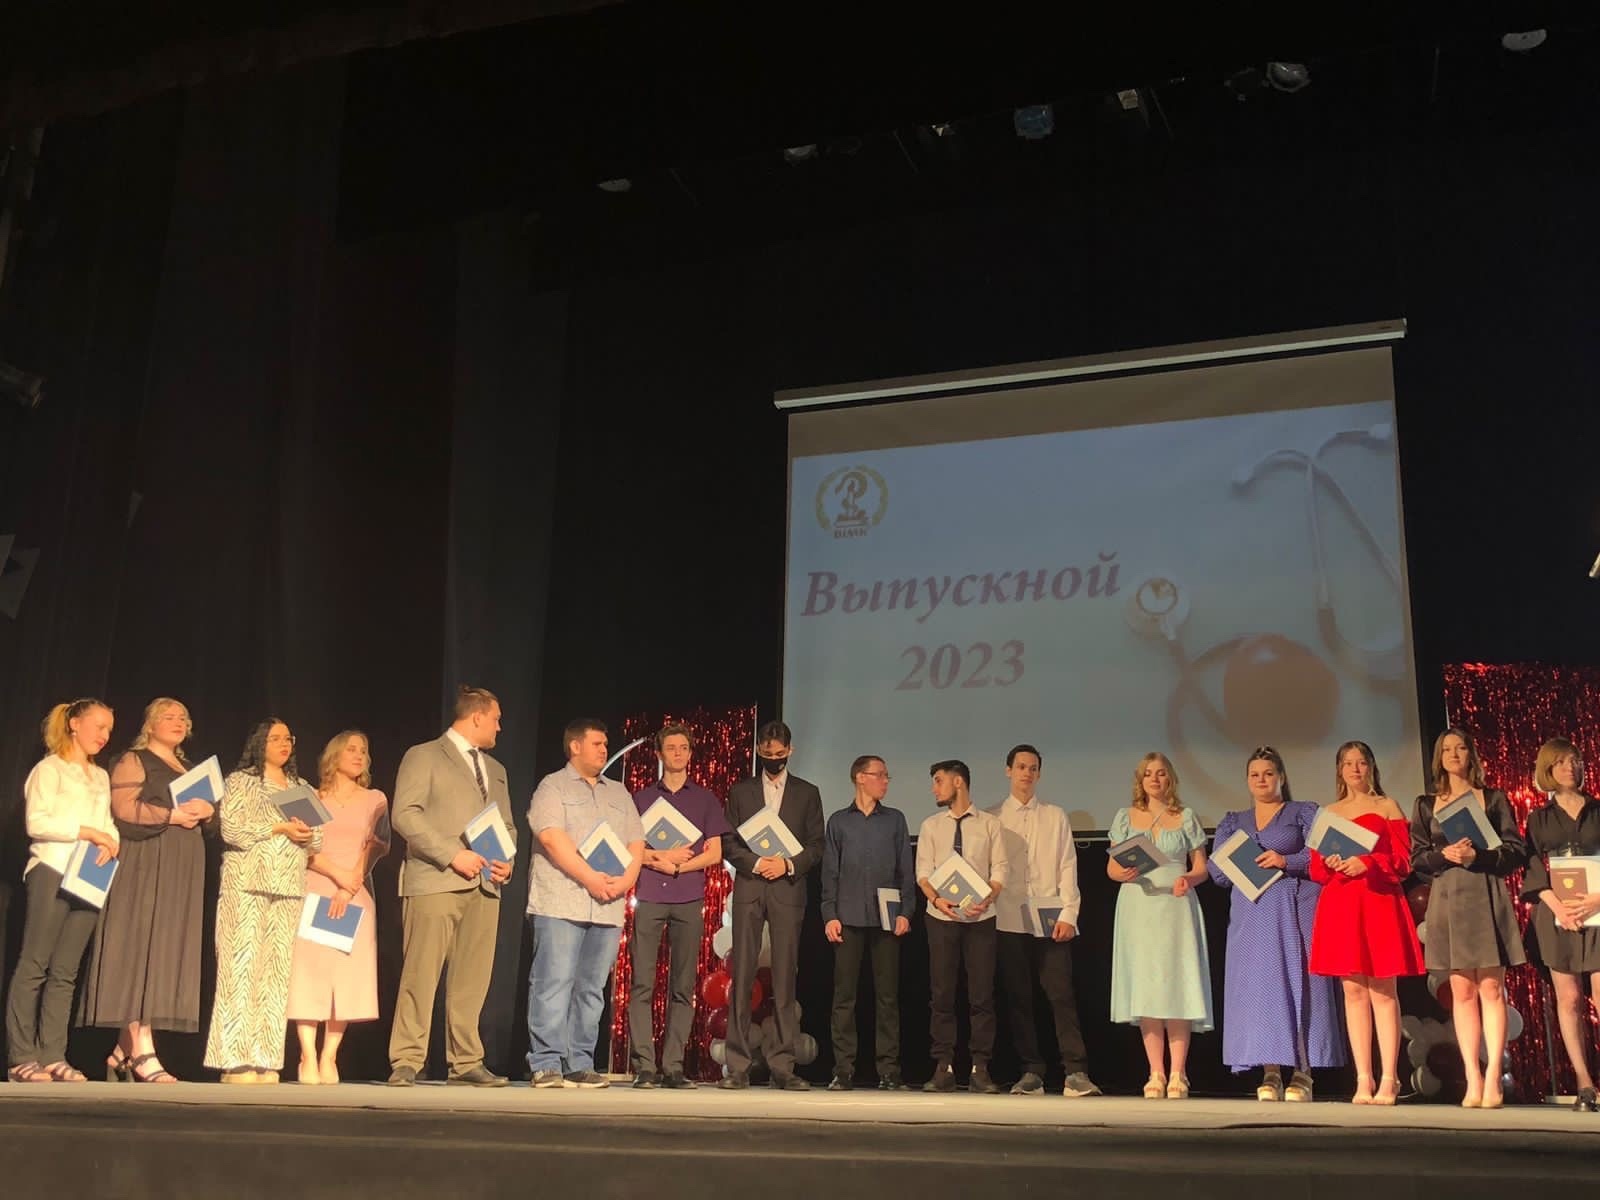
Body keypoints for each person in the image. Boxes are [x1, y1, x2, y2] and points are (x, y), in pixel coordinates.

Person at [80, 697, 213, 1083]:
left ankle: (123, 1050)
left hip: (180, 869)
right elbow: (123, 808)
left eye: (183, 717)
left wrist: (209, 811)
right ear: (150, 725)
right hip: (145, 864)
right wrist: (172, 814)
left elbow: (210, 819)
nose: (177, 722)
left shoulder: (191, 769)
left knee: (163, 952)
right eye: (168, 716)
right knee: (140, 949)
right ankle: (142, 1051)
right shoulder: (134, 759)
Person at [387, 685, 514, 1087]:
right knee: (421, 974)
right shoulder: (424, 755)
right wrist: (452, 854)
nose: (499, 727)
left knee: (472, 979)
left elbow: (506, 825)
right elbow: (405, 814)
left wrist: (506, 862)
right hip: (436, 880)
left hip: (485, 885)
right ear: (477, 717)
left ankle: (466, 1061)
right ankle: (407, 1059)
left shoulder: (496, 769)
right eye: (496, 719)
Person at [1206, 747, 1344, 1102]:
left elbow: (1323, 856)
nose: (1262, 780)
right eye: (1255, 774)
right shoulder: (1233, 821)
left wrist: (1286, 860)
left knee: (1302, 984)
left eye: (1268, 773)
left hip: (1295, 907)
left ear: (1281, 777)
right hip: (1252, 916)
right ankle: (1270, 1072)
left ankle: (1303, 1073)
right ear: (1247, 781)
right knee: (1262, 991)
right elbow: (1217, 873)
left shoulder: (1302, 813)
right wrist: (1237, 861)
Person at [1410, 728, 1526, 1109]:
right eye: (1447, 749)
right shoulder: (1426, 804)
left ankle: (1492, 1077)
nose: (1454, 754)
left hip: (1485, 892)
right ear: (1439, 758)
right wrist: (1444, 855)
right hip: (1448, 897)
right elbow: (1417, 860)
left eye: (1461, 748)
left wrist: (1479, 856)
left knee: (1491, 988)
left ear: (1471, 755)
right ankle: (1472, 1078)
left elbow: (1515, 850)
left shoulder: (1492, 799)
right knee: (1461, 991)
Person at [527, 718, 645, 1088]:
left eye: (605, 744)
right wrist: (590, 877)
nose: (603, 750)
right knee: (553, 982)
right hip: (561, 901)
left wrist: (626, 881)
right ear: (575, 746)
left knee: (592, 989)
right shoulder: (553, 786)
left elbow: (636, 842)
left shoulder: (619, 793)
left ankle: (579, 1062)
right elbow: (551, 838)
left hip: (608, 905)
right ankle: (546, 1062)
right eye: (596, 743)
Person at [6, 699, 118, 1083]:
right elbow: (37, 823)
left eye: (109, 730)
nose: (104, 736)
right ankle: (22, 1056)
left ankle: (53, 1054)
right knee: (34, 963)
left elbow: (108, 824)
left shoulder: (100, 777)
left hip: (89, 876)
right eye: (98, 726)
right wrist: (88, 832)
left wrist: (110, 842)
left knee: (66, 971)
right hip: (52, 868)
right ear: (74, 724)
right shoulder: (49, 769)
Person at [204, 718, 321, 1083]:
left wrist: (305, 834)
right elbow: (231, 829)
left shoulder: (302, 787)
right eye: (275, 739)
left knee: (276, 972)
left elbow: (318, 840)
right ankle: (234, 1059)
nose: (284, 744)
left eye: (288, 738)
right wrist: (278, 826)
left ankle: (265, 1056)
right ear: (260, 743)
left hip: (288, 886)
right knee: (239, 968)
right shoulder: (241, 781)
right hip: (246, 884)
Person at [1309, 741, 1423, 1106]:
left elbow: (1404, 862)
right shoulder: (1329, 812)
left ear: (1371, 767)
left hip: (1378, 901)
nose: (1355, 769)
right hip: (1342, 904)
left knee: (1383, 991)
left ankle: (1389, 1077)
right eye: (1348, 763)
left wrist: (1368, 863)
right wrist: (1330, 863)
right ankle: (1363, 1078)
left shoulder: (1387, 806)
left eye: (1361, 762)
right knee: (1353, 992)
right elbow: (1316, 869)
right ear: (1340, 770)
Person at [987, 744, 1101, 1098]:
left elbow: (1068, 866)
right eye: (1021, 766)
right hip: (1008, 918)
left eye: (1033, 768)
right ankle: (1031, 1071)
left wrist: (1069, 914)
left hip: (1051, 919)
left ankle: (1075, 1071)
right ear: (1008, 770)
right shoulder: (992, 817)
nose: (1027, 773)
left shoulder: (1055, 815)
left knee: (1061, 995)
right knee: (1019, 998)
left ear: (1039, 774)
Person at [719, 720, 825, 1091]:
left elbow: (816, 845)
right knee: (742, 975)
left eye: (780, 754)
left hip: (787, 889)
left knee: (784, 977)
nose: (774, 759)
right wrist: (755, 862)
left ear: (790, 751)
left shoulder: (807, 793)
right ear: (758, 751)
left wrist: (787, 865)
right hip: (750, 887)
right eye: (768, 754)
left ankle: (782, 1065)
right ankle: (737, 1065)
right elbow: (728, 841)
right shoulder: (741, 791)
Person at [628, 723, 729, 1088]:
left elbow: (714, 853)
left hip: (688, 897)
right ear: (659, 754)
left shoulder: (705, 799)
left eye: (683, 748)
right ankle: (644, 1066)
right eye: (670, 748)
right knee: (642, 983)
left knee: (682, 986)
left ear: (690, 753)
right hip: (650, 896)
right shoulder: (640, 799)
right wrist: (660, 858)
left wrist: (677, 866)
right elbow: (629, 849)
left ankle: (672, 1066)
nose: (677, 753)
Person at [1107, 751, 1213, 1099]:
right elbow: (1111, 868)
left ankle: (1179, 1073)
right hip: (1139, 906)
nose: (1155, 778)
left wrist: (1189, 879)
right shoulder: (1126, 817)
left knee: (1177, 985)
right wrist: (1121, 873)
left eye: (1161, 773)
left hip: (1176, 905)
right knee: (1148, 987)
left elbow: (1201, 867)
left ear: (1171, 779)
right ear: (1141, 780)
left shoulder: (1185, 816)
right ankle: (1155, 1072)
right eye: (1149, 773)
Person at [286, 730, 390, 1085]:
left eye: (363, 750)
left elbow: (378, 844)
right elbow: (301, 847)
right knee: (310, 974)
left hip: (355, 894)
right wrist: (337, 876)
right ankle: (307, 1053)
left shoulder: (375, 798)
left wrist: (350, 884)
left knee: (346, 976)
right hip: (315, 889)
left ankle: (329, 1054)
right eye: (351, 749)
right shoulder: (310, 797)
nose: (359, 755)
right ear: (334, 756)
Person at [821, 755, 914, 1091]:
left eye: (887, 776)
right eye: (880, 775)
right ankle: (843, 1070)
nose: (885, 781)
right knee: (844, 997)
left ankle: (889, 1071)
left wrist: (906, 911)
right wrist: (829, 914)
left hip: (887, 919)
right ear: (860, 778)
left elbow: (906, 870)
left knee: (887, 997)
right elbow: (830, 872)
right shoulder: (838, 822)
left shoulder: (895, 820)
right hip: (847, 917)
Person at [916, 759, 1008, 1094]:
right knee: (942, 994)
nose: (934, 788)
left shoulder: (989, 824)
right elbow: (923, 873)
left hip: (980, 918)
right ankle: (944, 1066)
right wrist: (937, 899)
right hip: (941, 918)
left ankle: (980, 1067)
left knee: (981, 995)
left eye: (938, 781)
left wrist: (988, 896)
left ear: (958, 782)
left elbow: (1000, 869)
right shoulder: (931, 826)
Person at [1521, 736, 1600, 1112]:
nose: (1570, 767)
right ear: (1548, 769)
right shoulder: (1538, 818)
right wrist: (1557, 907)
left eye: (1575, 760)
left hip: (1598, 912)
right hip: (1557, 915)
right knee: (1568, 999)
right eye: (1562, 762)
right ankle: (1585, 1083)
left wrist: (1598, 898)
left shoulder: (1598, 810)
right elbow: (1532, 868)